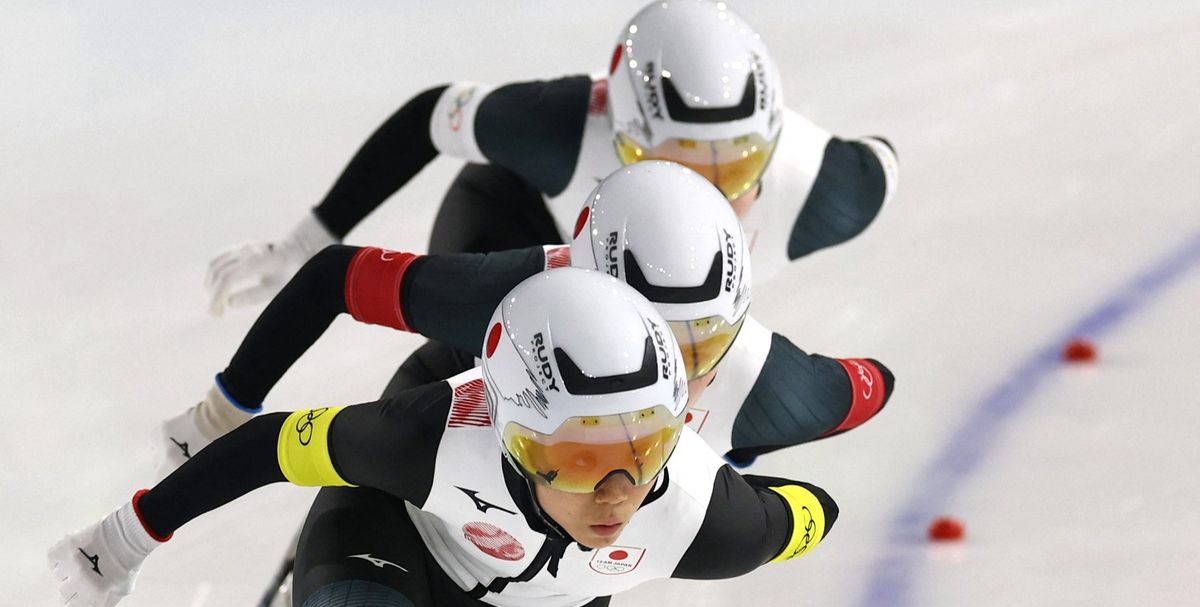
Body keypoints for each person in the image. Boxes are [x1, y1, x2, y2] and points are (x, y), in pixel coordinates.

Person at [51, 268, 839, 607]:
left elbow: (806, 511)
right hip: (388, 543)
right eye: (577, 459)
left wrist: (762, 494)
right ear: (514, 439)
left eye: (645, 454)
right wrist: (125, 534)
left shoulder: (702, 517)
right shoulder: (431, 438)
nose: (618, 497)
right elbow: (268, 445)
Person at [160, 162, 893, 481]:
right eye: (639, 327)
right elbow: (333, 277)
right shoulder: (520, 293)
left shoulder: (783, 390)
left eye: (696, 341)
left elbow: (869, 385)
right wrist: (223, 411)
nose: (667, 363)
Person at [204, 0, 898, 317]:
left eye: (735, 169)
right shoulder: (560, 125)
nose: (702, 199)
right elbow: (430, 116)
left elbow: (880, 158)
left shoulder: (831, 190)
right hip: (517, 220)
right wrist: (305, 243)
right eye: (673, 165)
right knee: (477, 388)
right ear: (614, 126)